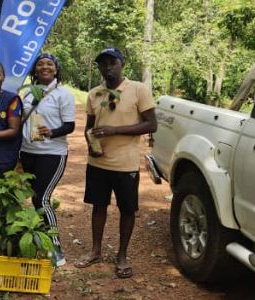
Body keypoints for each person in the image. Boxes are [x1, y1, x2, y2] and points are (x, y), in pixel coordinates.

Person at [74, 48, 157, 279]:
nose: (108, 67)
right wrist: (90, 144)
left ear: (122, 63)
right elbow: (89, 127)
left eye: (112, 62)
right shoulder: (94, 94)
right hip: (98, 163)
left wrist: (115, 130)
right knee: (98, 206)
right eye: (103, 64)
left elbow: (151, 125)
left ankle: (122, 255)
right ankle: (95, 250)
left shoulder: (139, 90)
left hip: (125, 165)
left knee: (127, 209)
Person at [19, 53, 75, 267]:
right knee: (33, 198)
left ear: (56, 69)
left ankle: (55, 248)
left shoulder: (63, 94)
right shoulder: (26, 94)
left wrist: (51, 132)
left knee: (42, 198)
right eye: (40, 64)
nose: (44, 67)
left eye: (49, 64)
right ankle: (38, 242)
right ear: (34, 70)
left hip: (52, 153)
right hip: (27, 151)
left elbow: (70, 126)